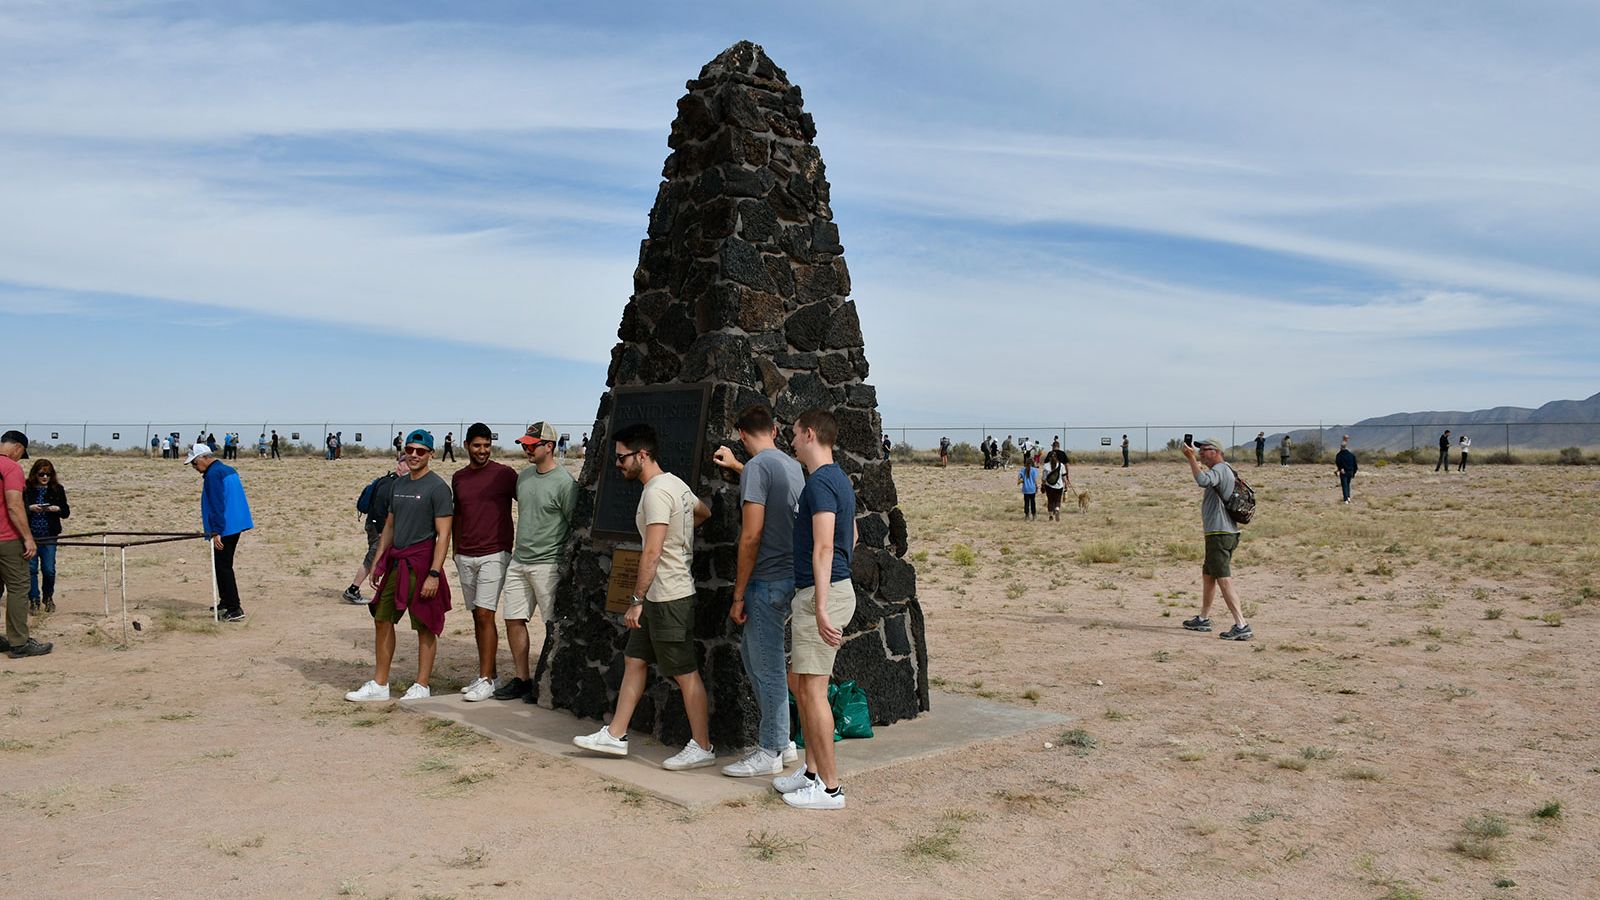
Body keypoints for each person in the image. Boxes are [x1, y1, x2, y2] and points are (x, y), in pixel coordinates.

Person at [573, 423, 714, 770]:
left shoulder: (654, 493)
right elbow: (703, 512)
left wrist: (636, 600)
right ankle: (615, 734)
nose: (618, 463)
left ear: (642, 454)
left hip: (668, 596)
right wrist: (680, 539)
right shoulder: (675, 484)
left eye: (622, 458)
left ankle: (703, 746)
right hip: (660, 595)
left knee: (684, 672)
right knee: (635, 661)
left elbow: (651, 552)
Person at [710, 405, 805, 777]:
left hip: (765, 580)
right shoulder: (790, 466)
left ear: (740, 434)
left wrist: (738, 594)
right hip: (790, 577)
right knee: (759, 659)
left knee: (765, 666)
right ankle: (784, 743)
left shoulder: (756, 469)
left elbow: (750, 536)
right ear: (776, 429)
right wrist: (738, 467)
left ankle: (769, 749)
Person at [770, 409, 856, 809]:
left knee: (814, 690)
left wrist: (822, 606)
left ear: (808, 434)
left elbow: (824, 546)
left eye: (793, 435)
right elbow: (850, 535)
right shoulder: (838, 479)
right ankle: (811, 773)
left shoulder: (820, 483)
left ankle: (831, 789)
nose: (791, 443)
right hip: (830, 589)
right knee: (800, 683)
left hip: (822, 594)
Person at [347, 429, 454, 702]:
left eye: (421, 451)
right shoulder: (399, 485)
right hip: (397, 563)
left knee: (425, 624)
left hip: (422, 564)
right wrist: (378, 561)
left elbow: (444, 535)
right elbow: (390, 526)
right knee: (382, 618)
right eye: (411, 449)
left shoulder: (438, 488)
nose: (415, 455)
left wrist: (433, 573)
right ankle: (380, 684)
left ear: (431, 454)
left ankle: (422, 685)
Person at [497, 421, 578, 702]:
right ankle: (522, 679)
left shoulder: (566, 483)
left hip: (548, 564)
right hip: (519, 561)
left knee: (551, 626)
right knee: (513, 619)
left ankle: (546, 682)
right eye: (524, 445)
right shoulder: (524, 477)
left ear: (549, 447)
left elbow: (572, 525)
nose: (526, 449)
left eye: (532, 445)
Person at [452, 423, 517, 702]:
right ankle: (488, 673)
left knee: (484, 614)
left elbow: (528, 501)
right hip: (465, 554)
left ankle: (487, 680)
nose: (483, 451)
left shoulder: (505, 475)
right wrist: (455, 552)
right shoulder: (459, 477)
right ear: (466, 445)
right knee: (477, 617)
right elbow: (457, 515)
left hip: (494, 552)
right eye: (477, 445)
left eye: (487, 445)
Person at [1180, 438, 1252, 641]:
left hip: (1220, 533)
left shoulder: (1220, 469)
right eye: (1199, 450)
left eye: (1205, 450)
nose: (1201, 452)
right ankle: (1203, 618)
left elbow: (1202, 481)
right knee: (1209, 575)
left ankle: (1241, 624)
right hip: (1220, 532)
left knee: (1223, 578)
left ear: (1217, 451)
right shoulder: (1223, 469)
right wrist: (1196, 460)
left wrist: (1190, 459)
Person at [187, 442, 255, 623]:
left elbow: (218, 504)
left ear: (204, 458)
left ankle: (234, 608)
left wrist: (216, 530)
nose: (194, 467)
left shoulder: (213, 475)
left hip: (225, 527)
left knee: (224, 567)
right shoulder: (227, 469)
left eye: (194, 463)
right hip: (235, 524)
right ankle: (225, 602)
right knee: (221, 565)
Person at [1, 431, 50, 657]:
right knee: (19, 588)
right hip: (6, 538)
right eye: (22, 454)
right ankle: (19, 642)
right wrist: (28, 537)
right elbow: (14, 505)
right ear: (18, 447)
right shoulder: (10, 468)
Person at [344, 454, 406, 604]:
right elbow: (379, 508)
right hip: (378, 527)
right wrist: (381, 530)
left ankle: (390, 590)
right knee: (373, 557)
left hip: (380, 526)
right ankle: (352, 590)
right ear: (399, 465)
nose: (410, 467)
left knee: (384, 557)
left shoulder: (395, 482)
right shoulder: (389, 484)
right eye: (407, 464)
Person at [25, 459, 70, 613]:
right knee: (31, 569)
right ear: (34, 474)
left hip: (50, 535)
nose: (44, 477)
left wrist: (56, 509)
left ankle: (48, 596)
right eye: (41, 474)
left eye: (48, 474)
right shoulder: (27, 489)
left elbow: (66, 512)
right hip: (30, 535)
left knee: (49, 569)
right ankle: (34, 599)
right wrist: (30, 508)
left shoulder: (57, 489)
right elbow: (19, 508)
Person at [1041, 449, 1068, 521]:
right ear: (1057, 457)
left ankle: (1050, 516)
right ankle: (1057, 509)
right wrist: (1066, 484)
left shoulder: (1046, 466)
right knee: (1058, 500)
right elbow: (1064, 476)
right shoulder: (1061, 465)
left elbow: (1044, 478)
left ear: (1049, 458)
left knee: (1050, 501)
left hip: (1049, 486)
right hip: (1059, 486)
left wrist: (1042, 485)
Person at [1018, 454, 1040, 520]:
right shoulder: (1034, 470)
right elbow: (1035, 480)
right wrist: (1037, 487)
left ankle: (1027, 515)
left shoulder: (1023, 469)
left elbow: (1019, 477)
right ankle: (1034, 515)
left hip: (1025, 489)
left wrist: (1022, 480)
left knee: (1026, 503)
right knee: (1033, 502)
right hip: (1032, 488)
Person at [1335, 439, 1357, 504]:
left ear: (1341, 447)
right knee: (1348, 484)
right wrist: (1354, 473)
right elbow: (1355, 465)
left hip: (1343, 472)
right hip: (1350, 472)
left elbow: (1338, 462)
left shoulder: (1339, 455)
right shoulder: (1351, 455)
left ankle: (1345, 499)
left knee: (1344, 485)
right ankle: (1348, 497)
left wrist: (1340, 468)